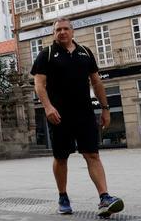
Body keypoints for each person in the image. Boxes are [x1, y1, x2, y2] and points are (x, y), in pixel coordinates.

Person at [31, 17, 124, 218]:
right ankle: (63, 197)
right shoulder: (46, 55)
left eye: (65, 29)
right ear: (53, 33)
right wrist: (47, 107)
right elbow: (39, 85)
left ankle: (104, 197)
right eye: (58, 30)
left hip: (84, 113)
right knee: (61, 157)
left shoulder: (85, 52)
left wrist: (106, 108)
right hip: (59, 115)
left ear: (72, 31)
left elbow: (97, 82)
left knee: (92, 154)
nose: (62, 32)